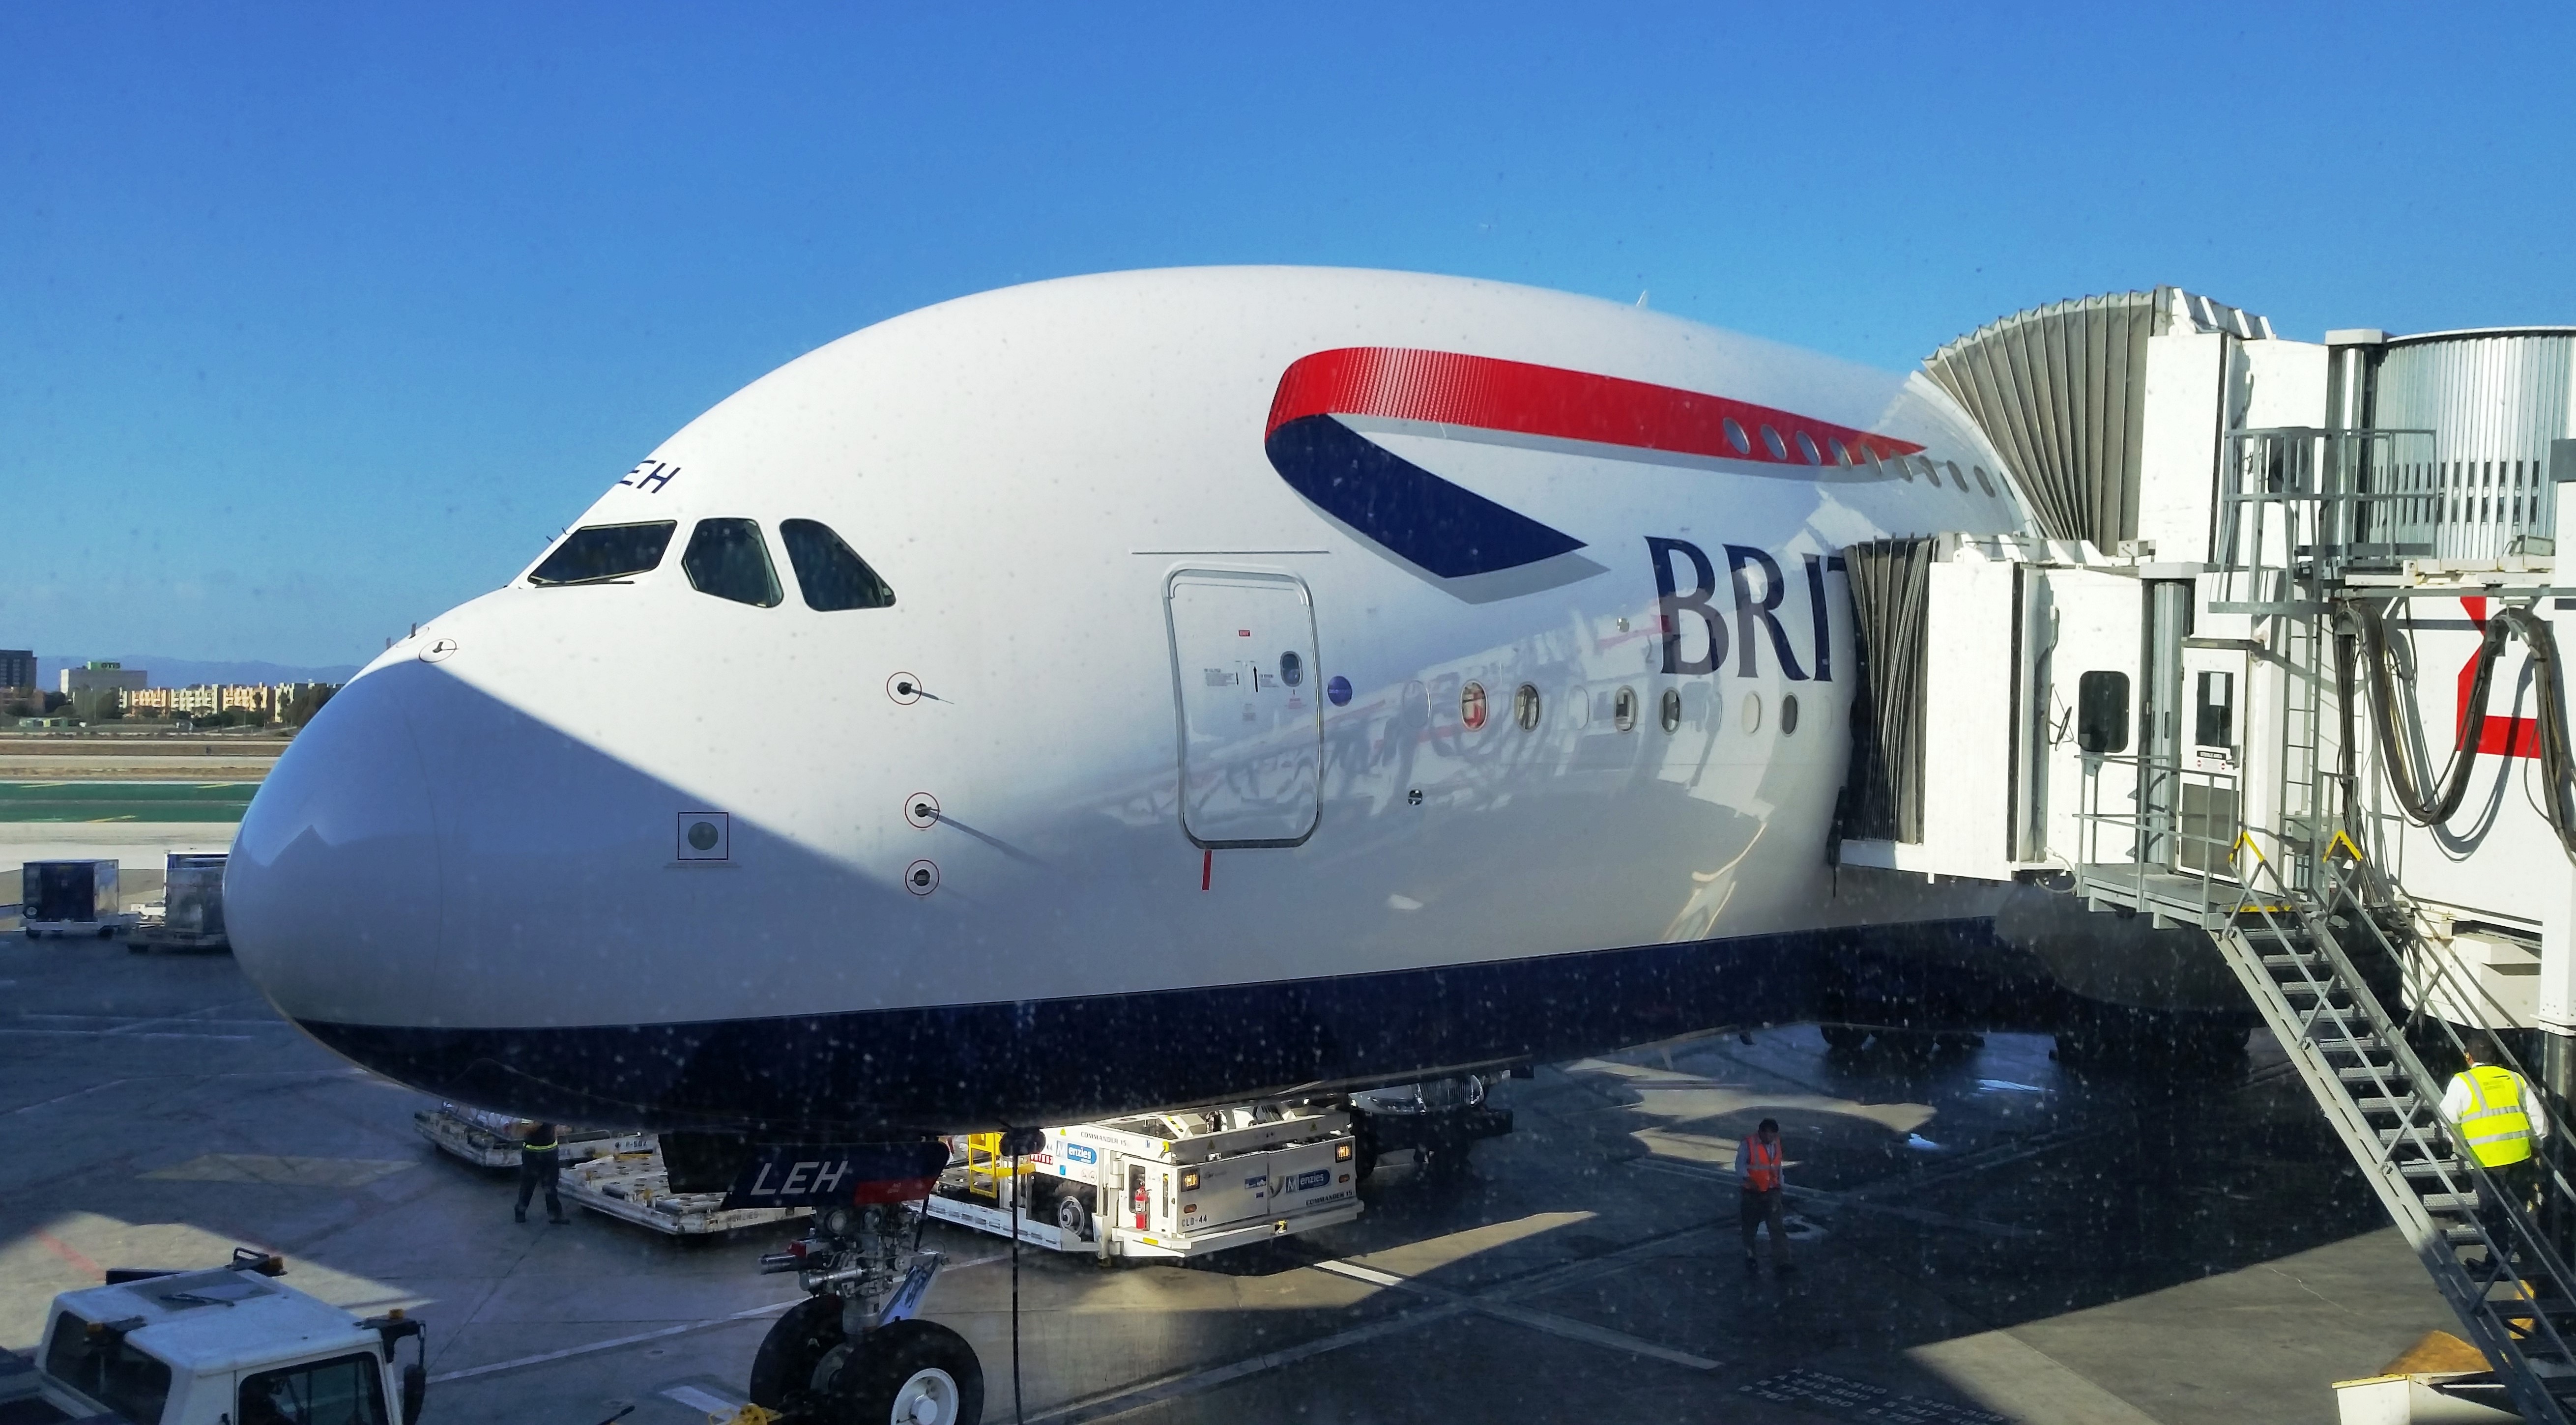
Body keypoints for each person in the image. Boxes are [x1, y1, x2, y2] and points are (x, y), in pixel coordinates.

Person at [2442, 1035, 2548, 1222]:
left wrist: (2458, 1145)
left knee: (2493, 1214)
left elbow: (2447, 1119)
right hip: (2520, 1158)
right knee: (2519, 1210)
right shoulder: (2515, 1079)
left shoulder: (2462, 1082)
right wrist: (2537, 1144)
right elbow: (2539, 1121)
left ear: (2468, 1057)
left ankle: (2497, 1248)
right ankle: (2523, 1244)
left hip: (2485, 1161)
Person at [1735, 1117, 1794, 1273]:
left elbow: (1777, 1166)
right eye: (1767, 1135)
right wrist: (1748, 1179)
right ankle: (1750, 1256)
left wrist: (1781, 1184)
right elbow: (1740, 1166)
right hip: (1752, 1192)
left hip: (1772, 1190)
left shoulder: (1776, 1144)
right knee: (1750, 1226)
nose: (1770, 1138)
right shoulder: (1748, 1145)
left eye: (1773, 1135)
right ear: (1760, 1132)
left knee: (1776, 1227)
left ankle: (1783, 1262)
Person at [515, 1122, 567, 1224]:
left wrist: (555, 1146)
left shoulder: (550, 1110)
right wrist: (538, 1123)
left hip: (550, 1153)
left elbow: (554, 1128)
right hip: (532, 1155)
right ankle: (521, 1211)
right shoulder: (532, 1110)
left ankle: (555, 1215)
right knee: (528, 1185)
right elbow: (524, 1129)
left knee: (551, 1186)